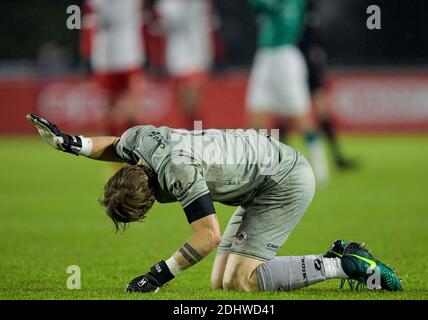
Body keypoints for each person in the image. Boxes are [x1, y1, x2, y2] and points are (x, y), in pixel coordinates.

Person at [26, 114, 402, 293]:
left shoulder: (179, 173)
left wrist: (157, 276)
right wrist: (71, 144)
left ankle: (346, 264)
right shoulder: (139, 142)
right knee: (221, 281)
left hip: (284, 180)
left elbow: (208, 236)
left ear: (150, 201)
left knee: (241, 280)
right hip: (263, 172)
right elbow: (111, 144)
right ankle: (338, 257)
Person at [246, 0, 329, 185]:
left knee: (300, 116)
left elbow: (268, 6)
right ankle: (264, 171)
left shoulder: (294, 2)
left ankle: (319, 164)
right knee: (257, 115)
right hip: (264, 56)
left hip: (285, 57)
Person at [300, 0, 358, 170]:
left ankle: (337, 156)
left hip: (310, 66)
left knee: (322, 112)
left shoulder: (310, 7)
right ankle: (276, 162)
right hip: (293, 66)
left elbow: (314, 35)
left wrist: (318, 50)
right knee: (287, 116)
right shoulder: (291, 6)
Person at [80, 0, 149, 136]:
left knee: (128, 105)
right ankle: (115, 143)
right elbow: (88, 25)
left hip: (127, 57)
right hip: (108, 59)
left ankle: (130, 142)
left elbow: (143, 22)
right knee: (111, 105)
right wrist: (87, 53)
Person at [153, 0, 214, 129]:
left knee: (192, 103)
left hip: (197, 59)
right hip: (175, 60)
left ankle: (199, 136)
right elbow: (159, 32)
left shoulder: (199, 4)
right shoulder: (164, 6)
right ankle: (191, 134)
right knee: (183, 106)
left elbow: (208, 26)